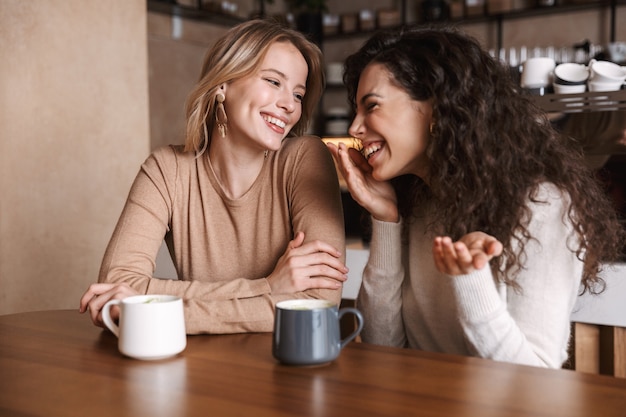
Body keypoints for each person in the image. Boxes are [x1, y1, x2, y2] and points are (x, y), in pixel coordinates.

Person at [327, 24, 625, 368]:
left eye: (372, 106)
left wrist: (471, 282)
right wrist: (386, 220)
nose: (354, 128)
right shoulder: (418, 199)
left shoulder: (541, 205)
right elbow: (384, 343)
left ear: (436, 108)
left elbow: (536, 376)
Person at [79, 19, 347, 334]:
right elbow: (115, 287)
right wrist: (268, 286)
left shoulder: (305, 158)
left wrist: (151, 306)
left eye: (299, 94)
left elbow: (318, 304)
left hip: (285, 368)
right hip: (195, 368)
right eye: (274, 82)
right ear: (222, 84)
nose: (289, 104)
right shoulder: (167, 169)